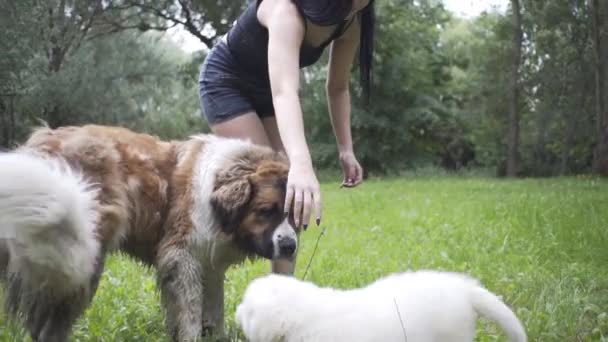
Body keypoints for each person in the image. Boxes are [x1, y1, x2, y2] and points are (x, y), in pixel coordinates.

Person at [198, 0, 375, 272]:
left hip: (271, 90)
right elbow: (285, 91)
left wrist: (345, 149)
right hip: (227, 82)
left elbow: (338, 88)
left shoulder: (353, 19)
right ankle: (207, 262)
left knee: (292, 191)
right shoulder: (284, 8)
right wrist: (301, 165)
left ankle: (283, 295)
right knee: (277, 178)